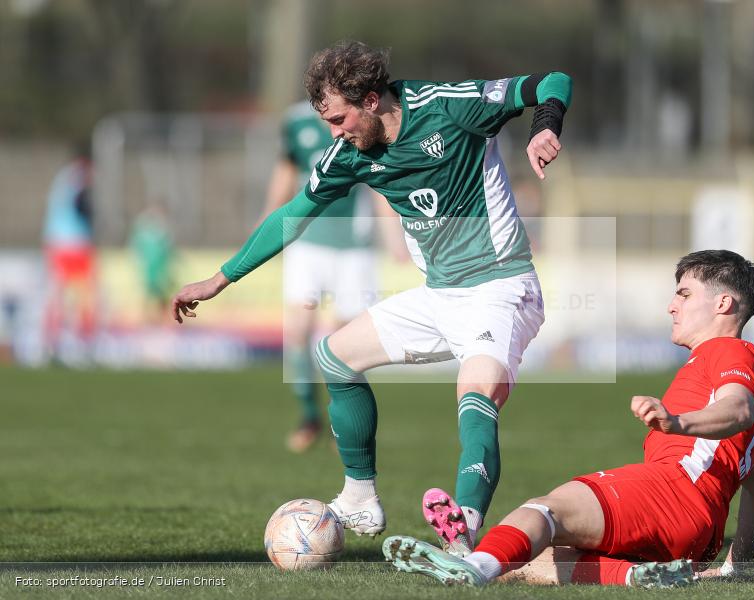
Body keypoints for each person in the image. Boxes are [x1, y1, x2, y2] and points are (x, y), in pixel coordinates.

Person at [172, 41, 572, 554]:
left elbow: (552, 80)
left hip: (500, 285)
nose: (334, 134)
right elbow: (291, 216)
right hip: (440, 295)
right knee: (335, 355)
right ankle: (360, 496)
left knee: (475, 394)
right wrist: (220, 279)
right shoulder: (350, 155)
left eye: (339, 119)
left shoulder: (448, 105)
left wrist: (545, 126)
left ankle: (464, 525)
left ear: (370, 100)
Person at [383, 249, 754, 588]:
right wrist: (733, 568)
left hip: (672, 494)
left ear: (723, 303)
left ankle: (473, 566)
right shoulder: (723, 407)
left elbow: (737, 407)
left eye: (684, 293)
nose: (672, 305)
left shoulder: (730, 352)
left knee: (545, 511)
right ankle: (638, 577)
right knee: (542, 558)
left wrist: (677, 423)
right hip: (697, 537)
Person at [258, 101, 401, 453]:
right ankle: (309, 417)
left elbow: (379, 182)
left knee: (344, 342)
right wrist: (266, 226)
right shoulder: (295, 122)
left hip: (355, 248)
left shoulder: (362, 119)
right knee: (297, 329)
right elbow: (285, 173)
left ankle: (347, 425)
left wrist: (394, 237)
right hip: (307, 243)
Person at [43, 144, 97, 363]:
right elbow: (80, 204)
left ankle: (52, 344)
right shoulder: (79, 175)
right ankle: (84, 346)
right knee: (84, 294)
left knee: (58, 294)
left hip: (56, 242)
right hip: (75, 243)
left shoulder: (62, 177)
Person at [129, 202, 175, 324]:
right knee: (149, 294)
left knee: (161, 295)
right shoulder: (145, 228)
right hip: (150, 268)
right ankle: (148, 319)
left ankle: (163, 319)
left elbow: (168, 249)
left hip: (160, 268)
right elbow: (137, 246)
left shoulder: (162, 229)